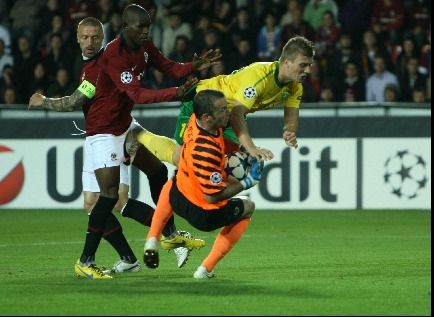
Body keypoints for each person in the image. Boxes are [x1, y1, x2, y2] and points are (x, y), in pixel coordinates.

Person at [28, 9, 217, 278]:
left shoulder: (142, 46)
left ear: (104, 35)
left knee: (156, 172)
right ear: (124, 27)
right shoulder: (107, 61)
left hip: (124, 126)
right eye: (140, 27)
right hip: (102, 133)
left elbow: (169, 67)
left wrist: (192, 67)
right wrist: (44, 101)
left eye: (147, 27)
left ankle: (169, 235)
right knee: (106, 199)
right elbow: (129, 95)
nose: (145, 32)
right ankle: (87, 260)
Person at [138, 36, 314, 166]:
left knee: (233, 163)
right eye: (303, 65)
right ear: (287, 62)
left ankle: (217, 208)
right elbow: (238, 113)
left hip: (225, 116)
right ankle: (138, 136)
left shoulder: (295, 86)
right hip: (202, 102)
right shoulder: (260, 77)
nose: (308, 70)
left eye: (309, 65)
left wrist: (289, 131)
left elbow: (291, 112)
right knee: (184, 159)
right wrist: (251, 147)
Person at [143, 89, 264, 279]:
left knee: (178, 175)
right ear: (207, 117)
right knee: (248, 206)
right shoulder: (207, 152)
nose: (228, 113)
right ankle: (205, 269)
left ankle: (152, 238)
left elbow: (221, 140)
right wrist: (246, 182)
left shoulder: (195, 120)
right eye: (223, 110)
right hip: (202, 215)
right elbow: (212, 195)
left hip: (177, 197)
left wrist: (243, 149)